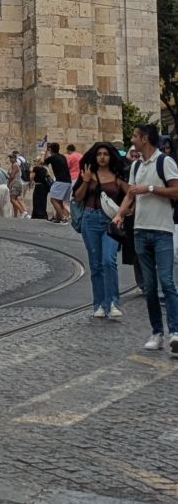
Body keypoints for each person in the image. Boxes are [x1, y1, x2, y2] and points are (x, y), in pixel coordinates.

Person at [113, 120, 178, 353]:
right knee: (149, 286)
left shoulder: (165, 162)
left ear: (145, 139)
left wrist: (149, 189)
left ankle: (175, 332)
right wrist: (120, 214)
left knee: (167, 283)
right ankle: (157, 333)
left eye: (134, 136)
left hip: (162, 230)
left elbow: (176, 190)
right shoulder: (137, 167)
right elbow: (130, 195)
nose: (132, 139)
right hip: (140, 230)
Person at [72, 142, 130, 321]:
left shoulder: (117, 176)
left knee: (108, 261)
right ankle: (99, 304)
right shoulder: (88, 174)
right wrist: (86, 180)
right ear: (95, 157)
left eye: (105, 154)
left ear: (111, 156)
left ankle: (113, 302)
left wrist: (125, 212)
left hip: (110, 222)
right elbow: (78, 197)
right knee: (96, 264)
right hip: (90, 220)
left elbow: (130, 194)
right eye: (99, 154)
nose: (102, 157)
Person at [44, 141, 72, 223]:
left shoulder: (53, 157)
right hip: (68, 181)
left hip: (61, 181)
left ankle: (63, 218)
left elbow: (43, 162)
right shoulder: (62, 156)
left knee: (53, 200)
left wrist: (45, 151)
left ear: (51, 149)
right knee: (59, 200)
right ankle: (57, 217)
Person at [8, 154, 27, 218]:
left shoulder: (15, 165)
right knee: (14, 199)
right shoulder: (14, 165)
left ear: (15, 158)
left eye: (12, 158)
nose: (10, 159)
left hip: (15, 183)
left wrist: (8, 182)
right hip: (16, 183)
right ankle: (15, 215)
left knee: (12, 199)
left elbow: (12, 176)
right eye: (10, 158)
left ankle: (22, 212)